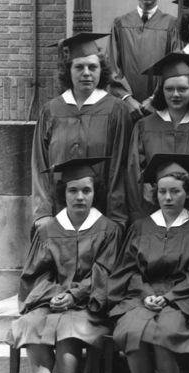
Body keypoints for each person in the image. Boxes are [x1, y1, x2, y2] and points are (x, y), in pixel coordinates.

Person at [7, 157, 122, 373]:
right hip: (50, 303)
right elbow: (35, 274)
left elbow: (105, 274)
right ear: (63, 194)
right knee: (30, 326)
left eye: (86, 190)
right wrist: (53, 295)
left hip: (89, 306)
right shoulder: (47, 230)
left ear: (95, 193)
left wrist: (73, 295)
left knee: (69, 330)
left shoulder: (108, 230)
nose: (80, 197)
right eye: (73, 191)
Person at [109, 154, 189, 373]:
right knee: (132, 330)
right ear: (155, 194)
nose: (168, 197)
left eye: (175, 191)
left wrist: (169, 297)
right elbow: (127, 269)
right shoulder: (141, 226)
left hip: (182, 299)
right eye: (162, 192)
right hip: (141, 296)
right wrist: (145, 293)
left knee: (165, 333)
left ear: (187, 193)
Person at [32, 32, 133, 230]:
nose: (86, 73)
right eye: (79, 67)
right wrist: (42, 213)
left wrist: (116, 218)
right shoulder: (51, 110)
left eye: (92, 67)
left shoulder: (115, 110)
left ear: (101, 71)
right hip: (58, 216)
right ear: (68, 71)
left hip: (103, 216)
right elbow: (39, 164)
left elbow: (120, 167)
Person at [125, 53, 189, 223]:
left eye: (182, 89)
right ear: (161, 91)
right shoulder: (144, 126)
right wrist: (154, 202)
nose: (175, 94)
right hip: (153, 216)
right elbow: (136, 173)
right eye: (169, 89)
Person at [106, 0, 179, 114]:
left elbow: (173, 66)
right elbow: (112, 65)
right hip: (126, 108)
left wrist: (154, 99)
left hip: (160, 106)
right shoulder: (119, 24)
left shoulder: (172, 25)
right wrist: (127, 98)